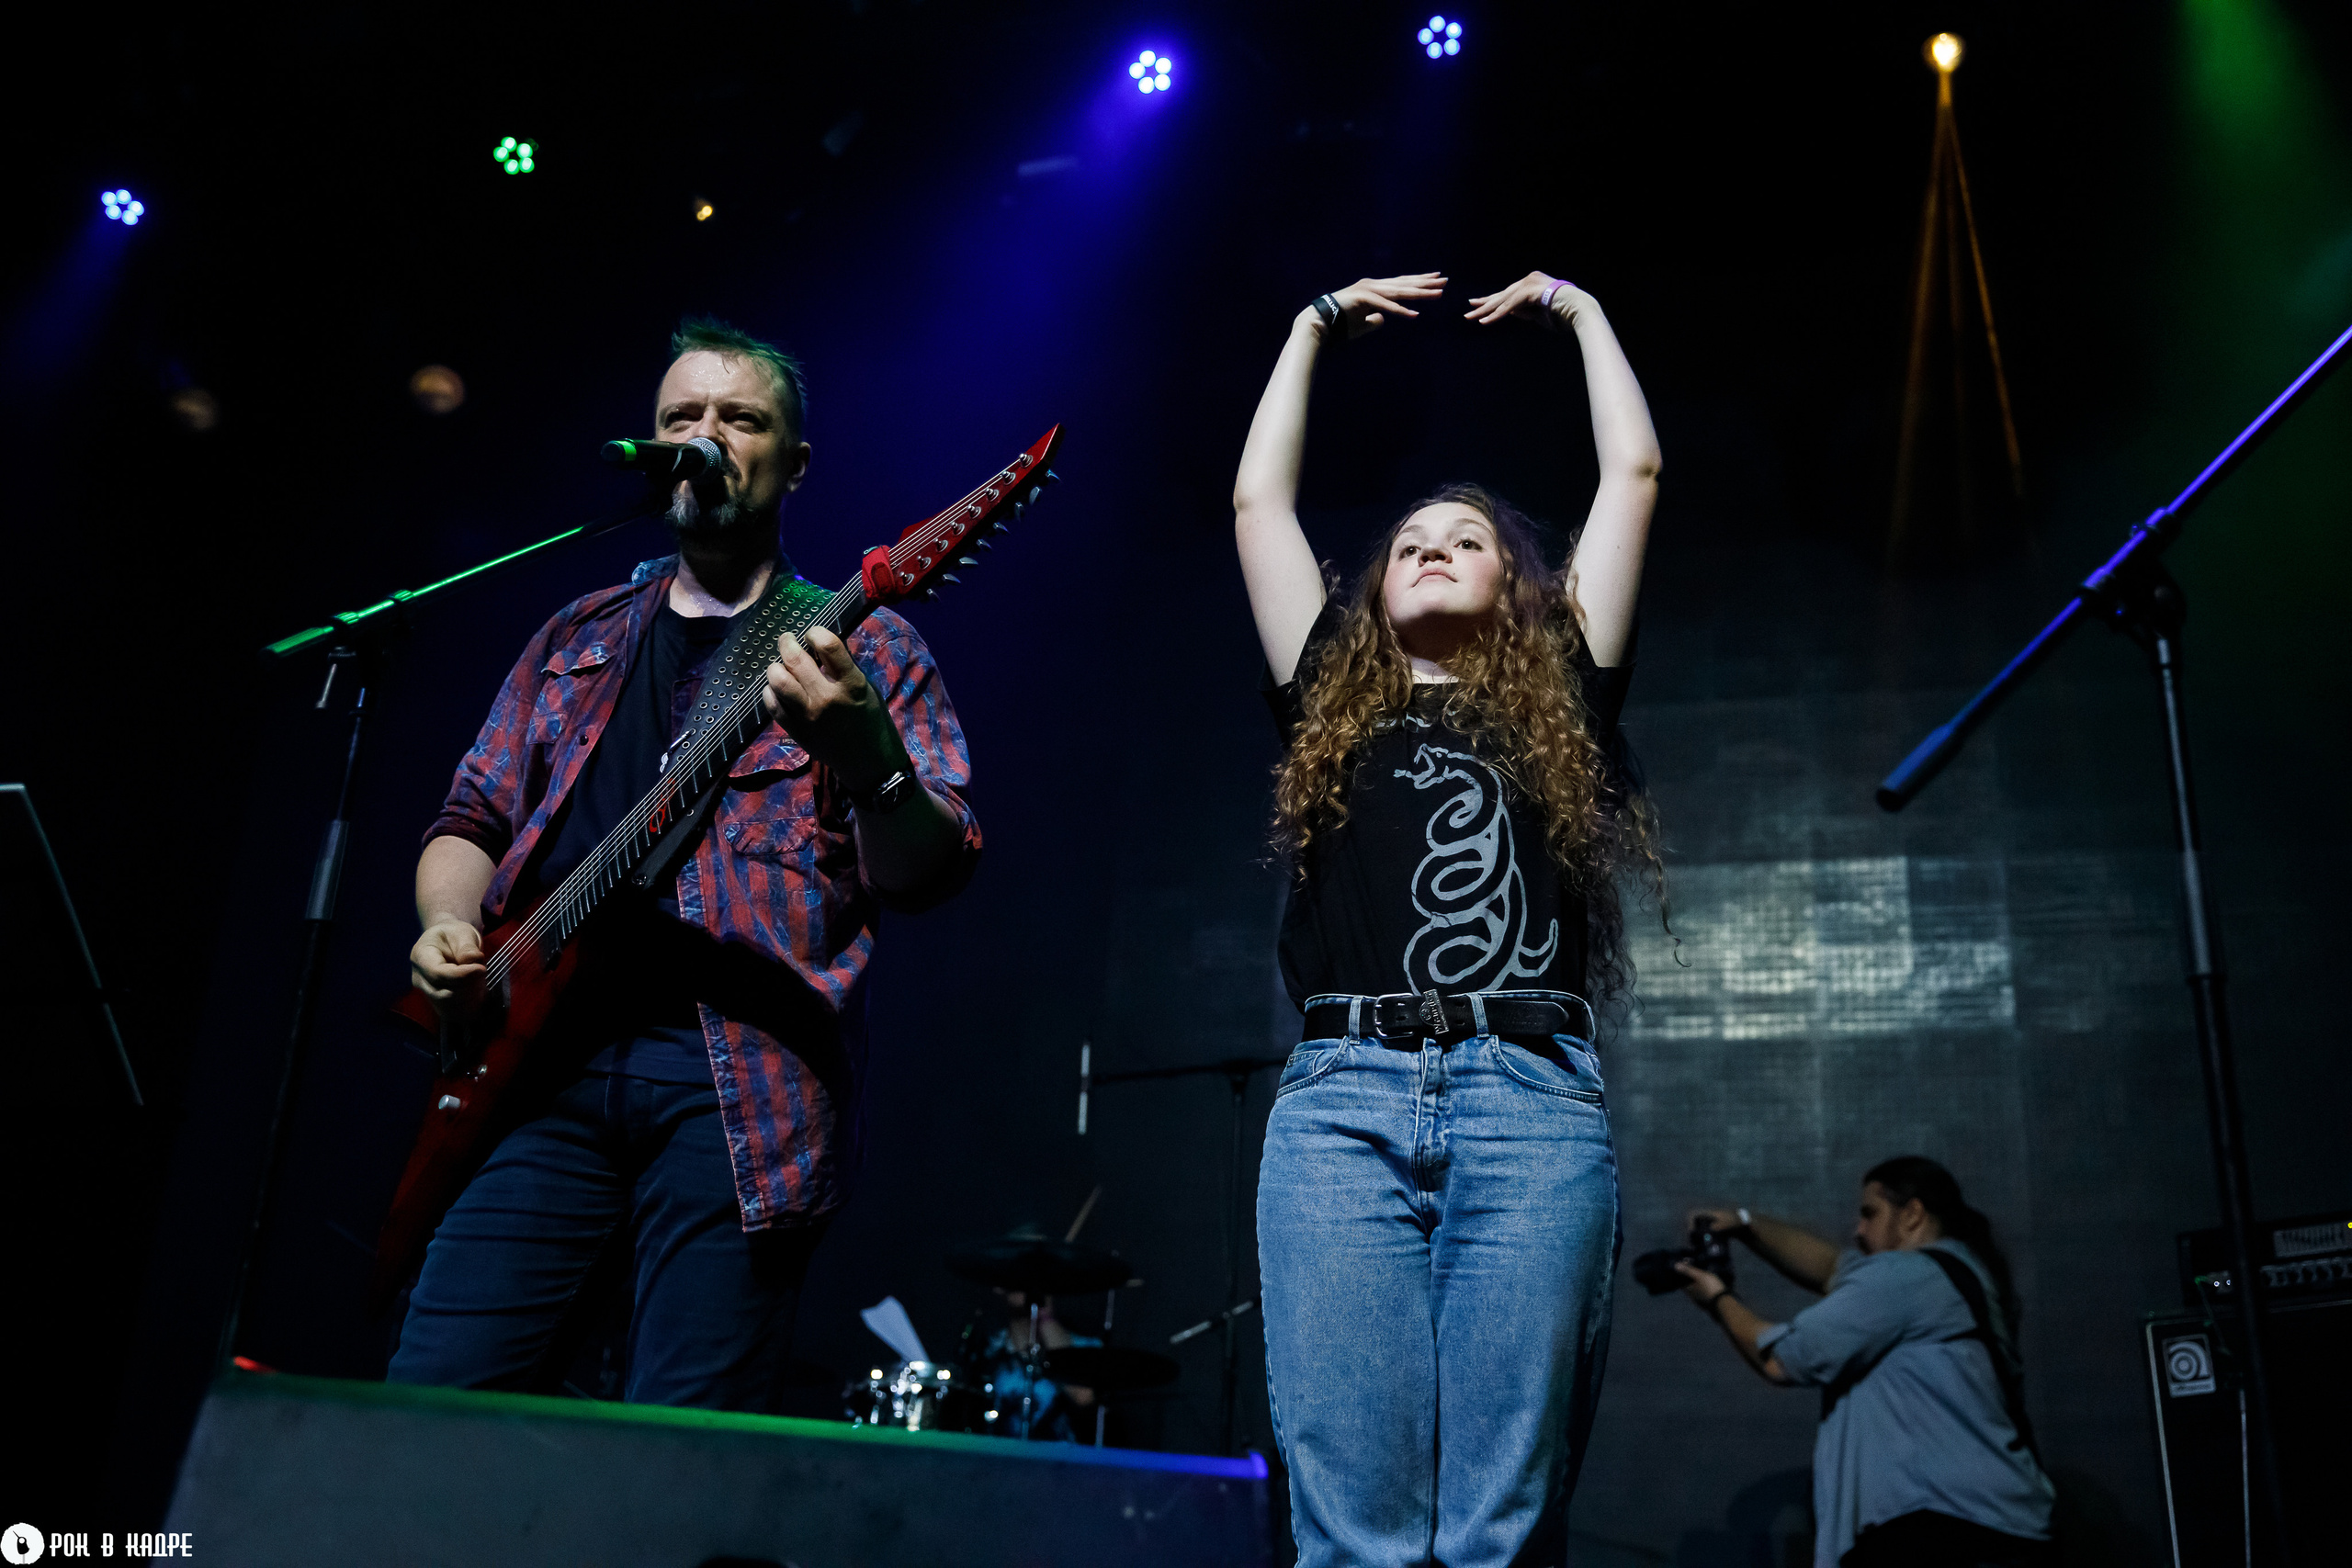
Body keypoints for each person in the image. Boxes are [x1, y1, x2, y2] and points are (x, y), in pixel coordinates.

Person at [390, 317, 981, 1410]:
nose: (704, 437)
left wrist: (868, 758)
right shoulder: (576, 634)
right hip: (539, 1067)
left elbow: (927, 873)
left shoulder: (862, 646)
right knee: (436, 1402)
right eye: (681, 419)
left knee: (680, 1435)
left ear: (793, 464)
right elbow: (470, 816)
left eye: (738, 419)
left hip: (734, 1090)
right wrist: (447, 923)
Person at [1236, 270, 1665, 1565]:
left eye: (1466, 539)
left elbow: (1633, 473)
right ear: (1370, 593)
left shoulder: (1567, 691)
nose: (1429, 546)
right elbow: (1259, 504)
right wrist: (1309, 325)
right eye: (1410, 539)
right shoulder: (1329, 695)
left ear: (1520, 589)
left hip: (1526, 1095)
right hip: (1341, 1101)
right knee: (1351, 1530)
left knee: (1499, 1528)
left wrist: (1584, 313)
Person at [1676, 1158, 2057, 1567]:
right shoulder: (1959, 1278)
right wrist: (1744, 1223)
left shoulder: (1905, 1276)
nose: (1858, 1231)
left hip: (1940, 1534)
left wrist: (1718, 1299)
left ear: (1912, 1214)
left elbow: (1781, 1359)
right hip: (1991, 1532)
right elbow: (1832, 1268)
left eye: (1870, 1213)